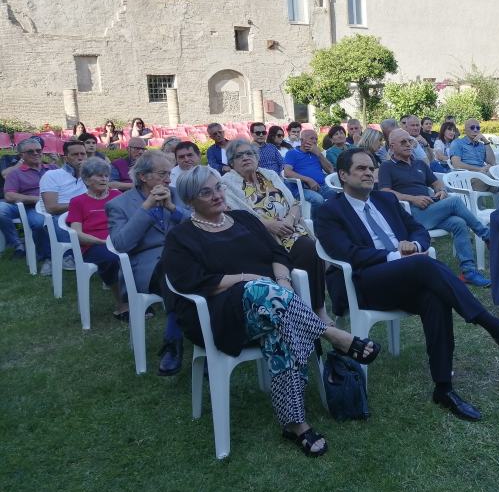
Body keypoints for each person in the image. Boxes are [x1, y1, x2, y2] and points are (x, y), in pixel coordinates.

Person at [163, 166, 379, 456]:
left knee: (281, 326)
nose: (217, 195)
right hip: (222, 312)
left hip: (273, 306)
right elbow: (191, 282)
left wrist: (283, 283)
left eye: (218, 187)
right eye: (206, 192)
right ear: (190, 200)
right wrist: (245, 279)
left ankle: (296, 424)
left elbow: (277, 253)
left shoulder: (243, 219)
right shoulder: (181, 236)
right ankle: (333, 335)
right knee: (263, 294)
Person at [317, 148, 499, 420]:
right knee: (424, 265)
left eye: (372, 168)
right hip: (365, 283)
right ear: (342, 174)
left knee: (435, 296)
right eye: (361, 169)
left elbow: (418, 230)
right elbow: (347, 252)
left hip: (405, 275)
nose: (369, 173)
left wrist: (416, 245)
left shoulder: (385, 200)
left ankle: (444, 388)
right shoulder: (329, 211)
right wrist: (396, 255)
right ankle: (494, 327)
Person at [222, 140, 331, 323]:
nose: (245, 158)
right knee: (308, 248)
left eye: (249, 153)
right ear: (231, 163)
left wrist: (289, 219)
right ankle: (312, 309)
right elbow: (237, 217)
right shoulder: (227, 184)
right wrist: (268, 225)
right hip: (263, 237)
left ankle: (316, 308)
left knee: (311, 249)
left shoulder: (270, 174)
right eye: (239, 156)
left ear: (257, 157)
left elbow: (294, 203)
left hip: (290, 228)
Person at [107, 150, 191, 375]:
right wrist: (146, 208)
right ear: (143, 176)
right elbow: (121, 244)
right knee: (174, 270)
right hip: (148, 268)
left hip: (185, 260)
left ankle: (180, 342)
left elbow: (199, 224)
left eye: (169, 173)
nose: (168, 179)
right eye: (163, 173)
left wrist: (173, 209)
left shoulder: (177, 195)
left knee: (183, 270)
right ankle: (180, 340)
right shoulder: (119, 204)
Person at [379, 129, 491, 287]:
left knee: (458, 223)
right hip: (411, 214)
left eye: (409, 141)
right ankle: (487, 235)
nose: (408, 144)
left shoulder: (419, 164)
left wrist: (441, 191)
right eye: (403, 142)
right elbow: (385, 192)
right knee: (455, 202)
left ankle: (469, 272)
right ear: (392, 147)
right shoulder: (387, 167)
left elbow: (436, 183)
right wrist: (413, 199)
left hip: (430, 209)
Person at [66, 158, 126, 319]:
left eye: (106, 175)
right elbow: (77, 233)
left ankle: (139, 298)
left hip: (119, 240)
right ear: (86, 179)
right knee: (112, 259)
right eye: (99, 176)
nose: (104, 179)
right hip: (92, 245)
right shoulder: (78, 202)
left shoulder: (116, 195)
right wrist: (102, 242)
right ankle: (122, 304)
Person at [0, 138, 53, 272]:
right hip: (26, 204)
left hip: (48, 204)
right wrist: (35, 199)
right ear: (21, 155)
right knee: (1, 209)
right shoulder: (15, 173)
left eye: (38, 150)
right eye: (31, 151)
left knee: (39, 222)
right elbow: (9, 195)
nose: (36, 153)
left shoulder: (51, 168)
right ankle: (18, 245)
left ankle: (46, 255)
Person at [39, 140, 87, 270]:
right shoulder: (52, 175)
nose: (80, 157)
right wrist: (80, 205)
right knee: (59, 220)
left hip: (85, 214)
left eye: (83, 154)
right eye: (75, 154)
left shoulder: (89, 176)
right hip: (60, 216)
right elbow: (52, 207)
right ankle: (67, 256)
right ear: (66, 158)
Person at [283, 128, 336, 211]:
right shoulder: (292, 153)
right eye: (312, 138)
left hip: (321, 186)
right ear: (301, 140)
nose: (315, 141)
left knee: (338, 194)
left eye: (316, 139)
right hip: (301, 189)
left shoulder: (316, 153)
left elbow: (330, 170)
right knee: (318, 200)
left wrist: (319, 154)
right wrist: (308, 180)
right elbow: (287, 172)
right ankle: (315, 223)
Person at [449, 118, 497, 190]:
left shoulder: (481, 145)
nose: (475, 130)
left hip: (483, 176)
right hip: (467, 179)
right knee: (497, 177)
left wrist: (486, 142)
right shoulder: (457, 143)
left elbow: (492, 162)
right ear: (465, 130)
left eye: (477, 128)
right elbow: (457, 164)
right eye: (472, 127)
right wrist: (480, 169)